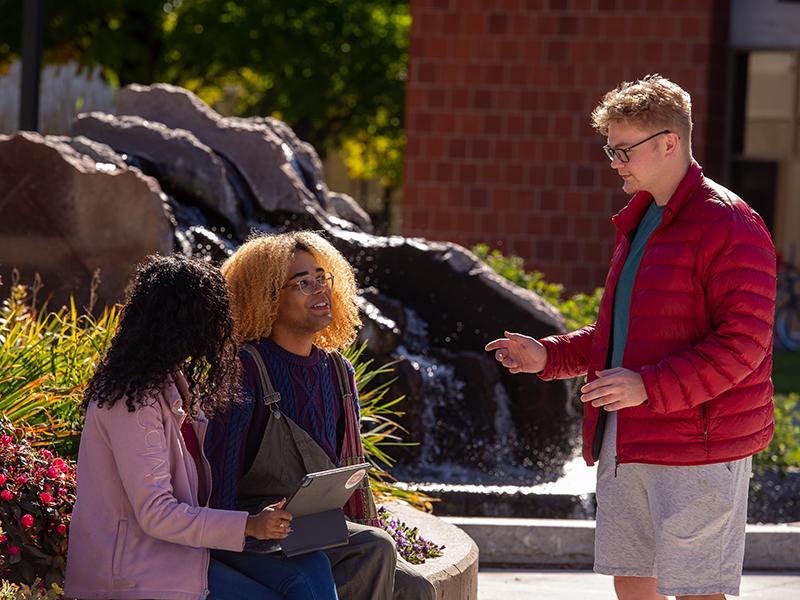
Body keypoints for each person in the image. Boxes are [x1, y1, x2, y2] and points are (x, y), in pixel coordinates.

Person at [486, 74, 776, 600]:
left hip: (701, 444)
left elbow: (745, 345)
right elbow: (621, 333)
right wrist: (546, 357)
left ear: (670, 142)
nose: (613, 162)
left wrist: (648, 386)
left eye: (623, 150)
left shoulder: (732, 223)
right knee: (632, 580)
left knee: (696, 590)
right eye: (610, 149)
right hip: (629, 435)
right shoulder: (641, 219)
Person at [64, 254, 338, 600]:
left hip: (186, 554)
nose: (223, 327)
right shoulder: (131, 402)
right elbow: (156, 513)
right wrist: (250, 525)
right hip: (136, 575)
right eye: (213, 316)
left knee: (311, 567)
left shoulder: (173, 385)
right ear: (184, 323)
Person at [206, 231, 436, 600]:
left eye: (321, 278)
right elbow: (218, 485)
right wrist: (250, 526)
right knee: (374, 549)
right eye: (302, 282)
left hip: (316, 531)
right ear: (267, 298)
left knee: (416, 587)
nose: (319, 290)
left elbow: (348, 467)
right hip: (256, 537)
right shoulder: (244, 367)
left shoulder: (338, 371)